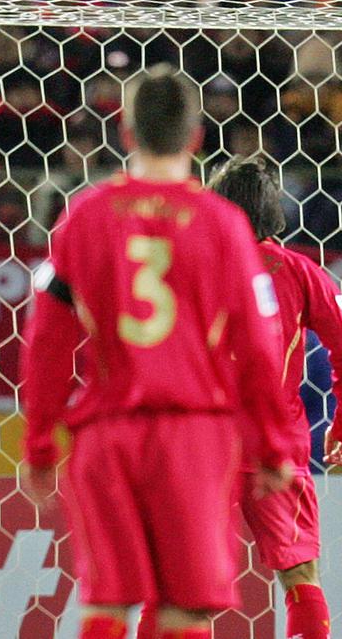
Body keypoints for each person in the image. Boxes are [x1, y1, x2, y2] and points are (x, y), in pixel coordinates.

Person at [19, 65, 299, 639]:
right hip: (195, 435)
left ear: (125, 133)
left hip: (106, 434)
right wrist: (272, 444)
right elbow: (257, 343)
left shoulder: (84, 218)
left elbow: (46, 340)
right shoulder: (224, 226)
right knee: (184, 609)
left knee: (109, 604)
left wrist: (42, 439)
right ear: (197, 137)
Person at [133, 156, 339, 639]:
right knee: (300, 577)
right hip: (275, 445)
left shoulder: (183, 266)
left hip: (199, 443)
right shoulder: (300, 272)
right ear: (274, 212)